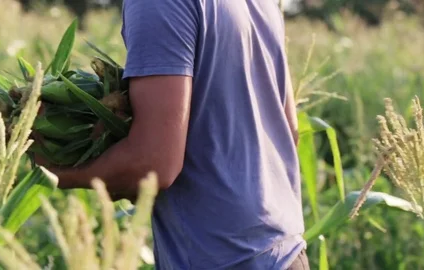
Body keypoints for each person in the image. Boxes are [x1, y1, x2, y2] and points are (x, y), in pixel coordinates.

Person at [36, 0, 309, 269]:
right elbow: (287, 133)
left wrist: (45, 172)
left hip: (225, 258)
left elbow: (153, 165)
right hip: (285, 253)